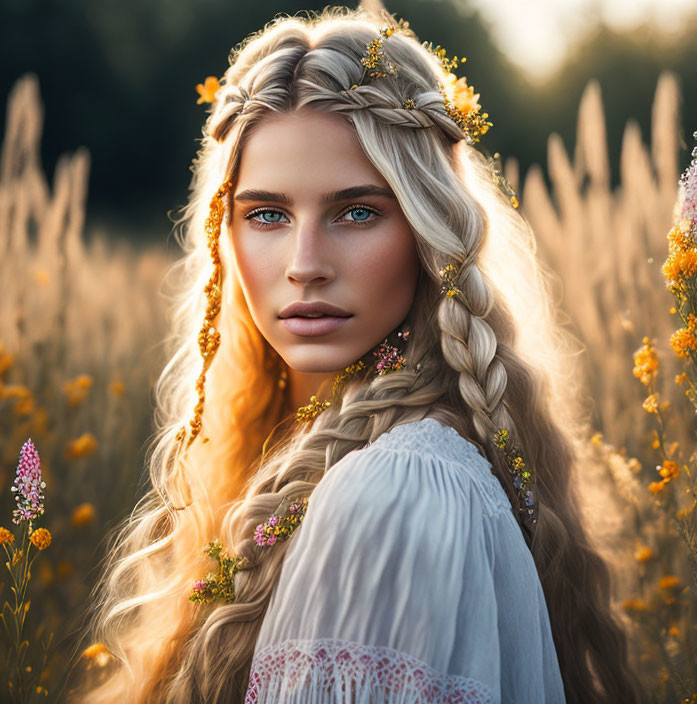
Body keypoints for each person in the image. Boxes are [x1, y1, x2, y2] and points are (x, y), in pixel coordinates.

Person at [76, 4, 642, 703]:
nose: (304, 264)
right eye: (267, 215)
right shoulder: (360, 461)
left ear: (430, 233)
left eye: (357, 212)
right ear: (227, 235)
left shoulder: (395, 494)